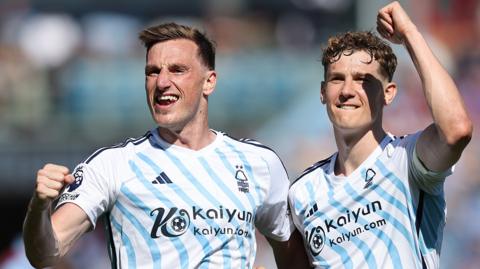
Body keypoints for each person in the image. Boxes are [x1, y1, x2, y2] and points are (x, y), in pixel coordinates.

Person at [23, 22, 309, 269]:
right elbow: (45, 254)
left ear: (209, 82)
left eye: (177, 70)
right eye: (152, 71)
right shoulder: (114, 165)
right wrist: (39, 208)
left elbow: (294, 258)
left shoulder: (258, 163)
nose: (161, 82)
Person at [289, 1, 473, 268]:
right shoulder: (302, 192)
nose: (347, 90)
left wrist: (410, 34)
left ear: (389, 93)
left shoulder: (406, 161)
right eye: (337, 79)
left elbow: (456, 130)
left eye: (363, 80)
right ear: (322, 92)